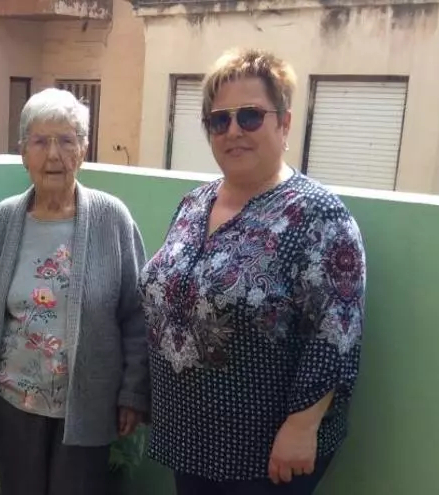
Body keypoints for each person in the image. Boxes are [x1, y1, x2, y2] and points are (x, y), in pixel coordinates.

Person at [139, 48, 367, 495]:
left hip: (266, 452)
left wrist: (302, 425)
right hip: (190, 437)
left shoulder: (318, 215)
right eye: (219, 120)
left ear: (284, 123)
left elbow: (337, 329)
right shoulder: (193, 204)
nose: (233, 131)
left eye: (250, 116)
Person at [0, 88, 149, 495]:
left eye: (66, 140)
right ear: (23, 152)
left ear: (84, 149)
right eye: (41, 141)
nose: (54, 155)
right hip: (12, 405)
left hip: (87, 407)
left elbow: (137, 315)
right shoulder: (0, 222)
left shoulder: (113, 220)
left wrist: (133, 391)